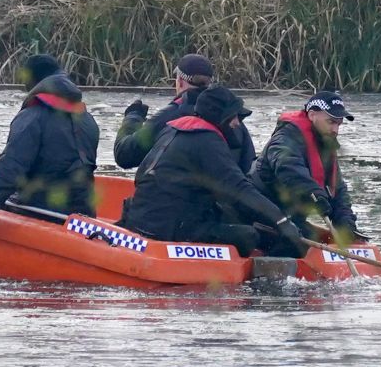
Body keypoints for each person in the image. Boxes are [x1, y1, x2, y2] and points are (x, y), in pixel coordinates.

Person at [121, 85, 305, 258]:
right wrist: (281, 221)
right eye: (234, 117)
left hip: (143, 219)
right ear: (220, 116)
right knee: (248, 236)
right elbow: (239, 190)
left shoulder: (173, 128)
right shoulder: (207, 141)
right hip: (169, 229)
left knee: (235, 217)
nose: (237, 123)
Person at [0, 53, 100, 229]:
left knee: (7, 197)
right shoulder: (87, 118)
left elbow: (10, 171)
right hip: (82, 214)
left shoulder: (32, 116)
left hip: (42, 212)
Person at [114, 54, 255, 173]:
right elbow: (249, 166)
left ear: (180, 82)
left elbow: (124, 155)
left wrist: (133, 116)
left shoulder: (170, 116)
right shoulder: (232, 118)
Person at [250, 91, 362, 242]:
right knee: (300, 243)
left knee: (323, 234)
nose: (336, 130)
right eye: (331, 122)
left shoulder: (325, 145)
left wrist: (346, 223)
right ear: (312, 115)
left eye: (339, 124)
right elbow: (289, 170)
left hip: (291, 216)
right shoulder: (285, 138)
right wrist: (315, 195)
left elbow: (337, 189)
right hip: (260, 213)